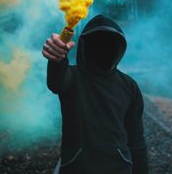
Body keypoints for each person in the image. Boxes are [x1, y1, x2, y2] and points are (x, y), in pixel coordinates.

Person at [42, 15, 149, 174]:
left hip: (119, 169)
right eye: (96, 42)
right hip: (77, 169)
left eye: (109, 42)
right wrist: (57, 59)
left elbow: (136, 138)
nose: (103, 48)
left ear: (119, 47)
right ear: (85, 45)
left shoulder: (129, 86)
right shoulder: (72, 77)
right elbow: (56, 82)